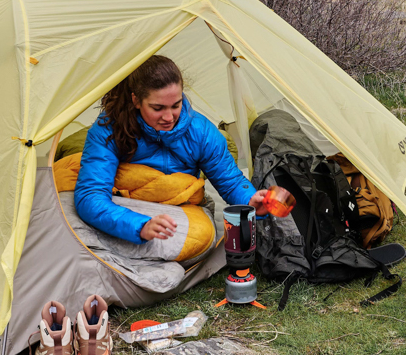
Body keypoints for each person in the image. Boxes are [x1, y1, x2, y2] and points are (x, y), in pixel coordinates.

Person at [74, 55, 270, 245]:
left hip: (179, 208)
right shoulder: (108, 129)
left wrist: (249, 200)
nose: (169, 117)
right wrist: (139, 226)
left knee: (200, 235)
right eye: (158, 108)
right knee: (72, 215)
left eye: (176, 105)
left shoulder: (201, 132)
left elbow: (230, 180)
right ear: (136, 100)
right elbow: (91, 194)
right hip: (126, 203)